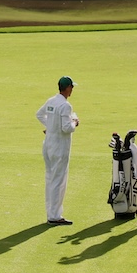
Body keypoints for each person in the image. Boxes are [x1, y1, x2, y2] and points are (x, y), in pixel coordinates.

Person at [36, 76, 79, 225]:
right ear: (67, 88)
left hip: (48, 145)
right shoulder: (66, 106)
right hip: (59, 148)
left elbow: (39, 114)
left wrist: (51, 127)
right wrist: (75, 122)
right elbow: (66, 128)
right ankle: (54, 215)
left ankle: (51, 212)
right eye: (71, 87)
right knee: (58, 181)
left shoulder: (51, 101)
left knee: (50, 178)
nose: (72, 89)